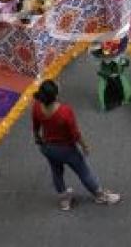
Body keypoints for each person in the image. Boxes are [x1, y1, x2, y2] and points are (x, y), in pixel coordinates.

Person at [32, 80, 121, 210]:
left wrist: (38, 138)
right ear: (56, 96)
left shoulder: (37, 106)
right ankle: (100, 195)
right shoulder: (64, 112)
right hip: (66, 150)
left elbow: (35, 126)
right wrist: (85, 146)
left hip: (47, 148)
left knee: (56, 172)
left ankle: (64, 200)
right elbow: (75, 134)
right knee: (83, 171)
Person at [91, 35, 131, 111]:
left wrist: (122, 62)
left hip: (116, 75)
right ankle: (105, 104)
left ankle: (125, 98)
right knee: (104, 88)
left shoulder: (117, 57)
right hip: (108, 76)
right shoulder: (103, 58)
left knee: (123, 86)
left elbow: (125, 63)